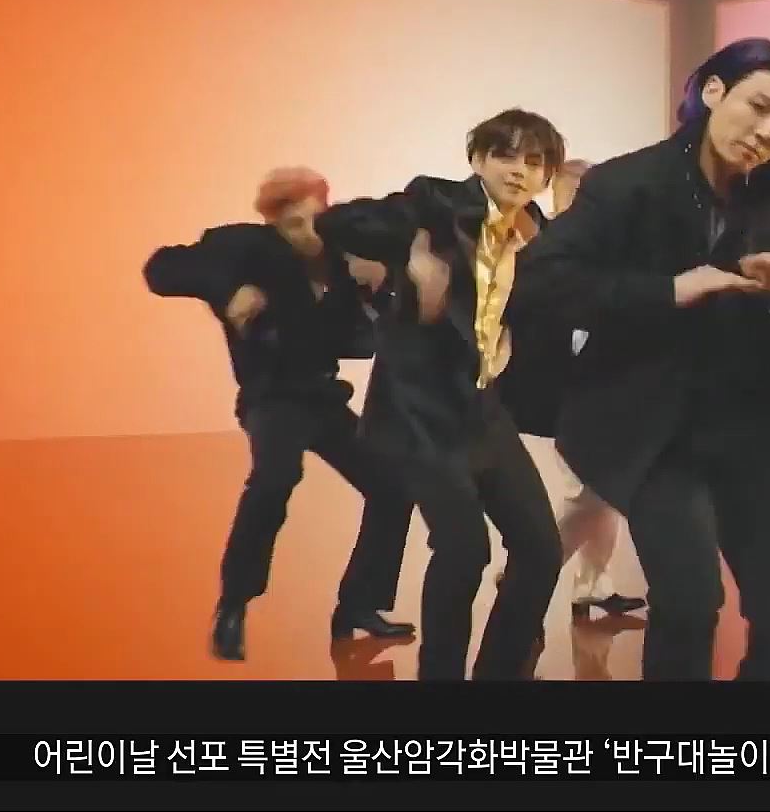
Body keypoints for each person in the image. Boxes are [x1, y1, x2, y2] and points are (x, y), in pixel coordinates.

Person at [510, 37, 770, 681]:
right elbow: (542, 282)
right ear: (713, 91)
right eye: (758, 107)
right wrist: (669, 290)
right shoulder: (628, 182)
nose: (766, 133)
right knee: (689, 605)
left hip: (745, 423)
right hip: (648, 426)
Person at [313, 110, 566, 681]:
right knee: (464, 549)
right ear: (477, 159)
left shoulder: (539, 234)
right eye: (505, 156)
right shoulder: (436, 203)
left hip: (483, 410)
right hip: (419, 410)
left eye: (534, 162)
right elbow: (339, 222)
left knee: (540, 550)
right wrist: (411, 254)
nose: (519, 171)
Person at [142, 167, 415, 662]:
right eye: (292, 225)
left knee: (393, 485)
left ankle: (359, 604)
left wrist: (378, 287)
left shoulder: (345, 254)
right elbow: (162, 267)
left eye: (314, 220)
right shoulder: (248, 248)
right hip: (272, 398)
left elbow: (367, 326)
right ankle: (233, 604)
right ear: (274, 226)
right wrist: (229, 289)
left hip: (324, 398)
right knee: (275, 477)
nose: (307, 234)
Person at [545, 159, 648, 620]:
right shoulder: (547, 247)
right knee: (589, 490)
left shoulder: (610, 245)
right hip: (569, 386)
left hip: (609, 381)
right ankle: (529, 571)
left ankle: (593, 583)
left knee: (605, 491)